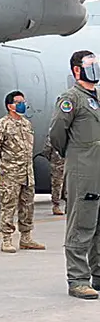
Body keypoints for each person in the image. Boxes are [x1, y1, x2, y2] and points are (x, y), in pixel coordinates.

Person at [47, 50, 100, 300]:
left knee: (98, 223)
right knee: (81, 222)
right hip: (83, 168)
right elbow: (57, 133)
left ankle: (97, 276)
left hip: (97, 168)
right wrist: (75, 153)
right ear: (77, 70)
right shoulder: (71, 98)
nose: (95, 68)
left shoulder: (97, 98)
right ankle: (78, 279)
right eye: (90, 65)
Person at [0, 91, 46, 254]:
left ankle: (26, 238)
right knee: (9, 206)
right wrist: (7, 165)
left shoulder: (27, 124)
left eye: (23, 101)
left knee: (28, 206)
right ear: (10, 106)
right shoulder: (2, 124)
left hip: (27, 173)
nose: (23, 104)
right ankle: (6, 239)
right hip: (10, 174)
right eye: (19, 102)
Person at [41, 136, 67, 216]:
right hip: (58, 164)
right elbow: (46, 150)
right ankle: (56, 206)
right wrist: (53, 160)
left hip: (66, 163)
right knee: (57, 185)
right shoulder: (53, 133)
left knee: (68, 185)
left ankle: (68, 205)